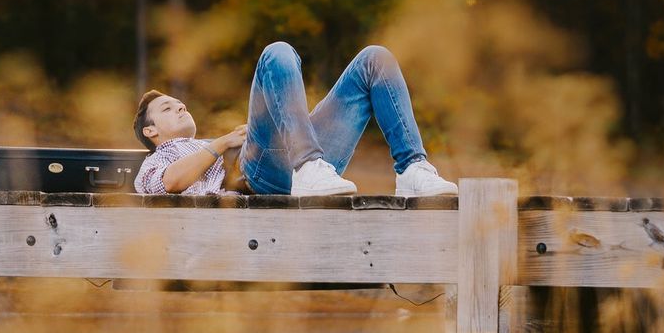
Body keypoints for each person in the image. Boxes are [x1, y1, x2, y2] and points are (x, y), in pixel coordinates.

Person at [132, 42, 458, 198]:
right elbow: (171, 183)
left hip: (303, 164)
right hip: (259, 179)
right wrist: (223, 143)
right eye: (167, 108)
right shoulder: (153, 165)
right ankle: (306, 166)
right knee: (276, 53)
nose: (180, 107)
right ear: (151, 130)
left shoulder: (205, 146)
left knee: (376, 58)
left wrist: (249, 135)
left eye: (179, 103)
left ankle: (412, 169)